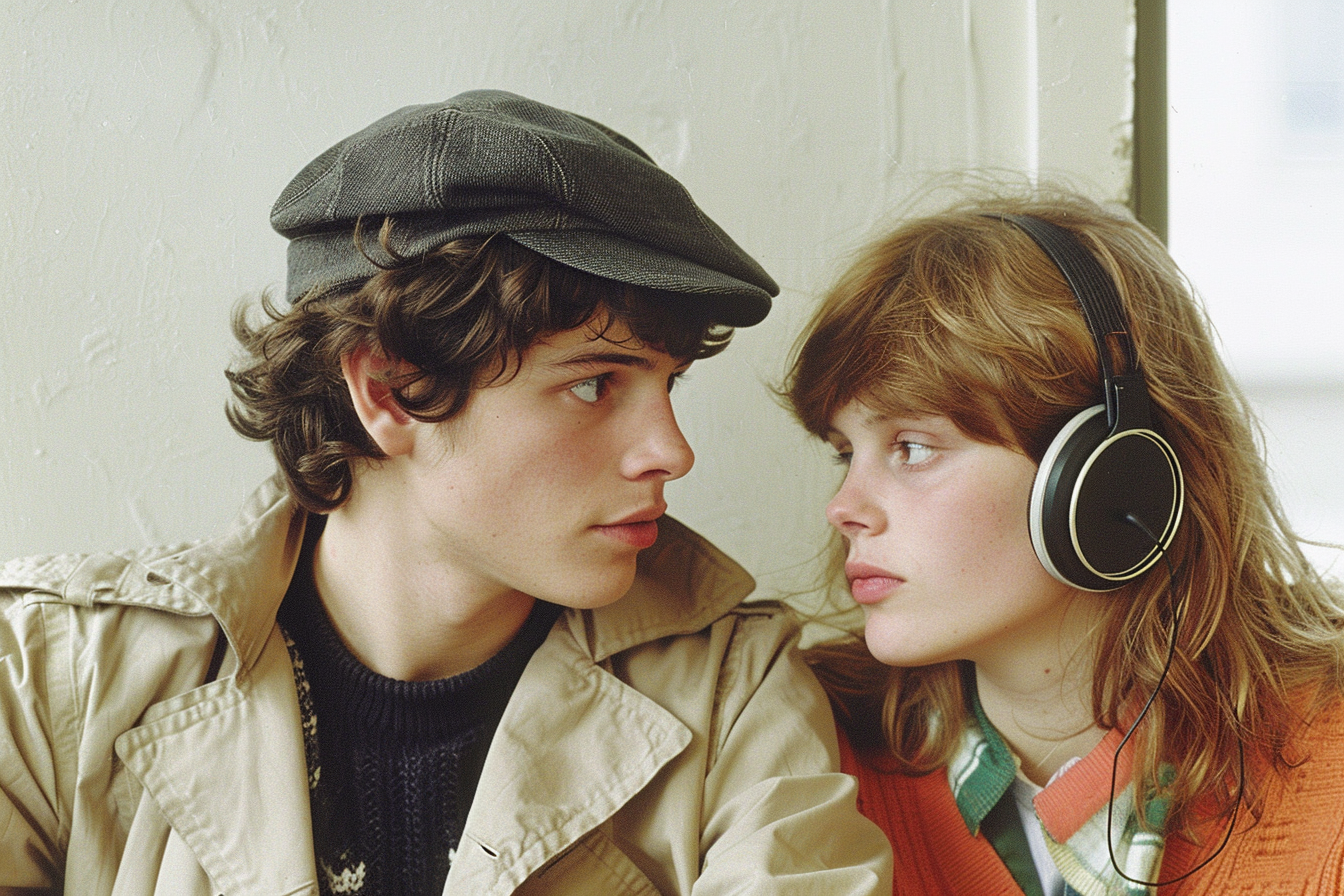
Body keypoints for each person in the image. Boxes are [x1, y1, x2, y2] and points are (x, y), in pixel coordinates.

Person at [0, 90, 891, 896]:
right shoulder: (54, 673)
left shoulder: (735, 690)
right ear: (390, 390)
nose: (672, 451)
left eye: (670, 385)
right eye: (595, 385)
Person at [783, 190, 1344, 895]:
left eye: (913, 448)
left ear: (1111, 479)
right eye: (844, 453)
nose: (843, 509)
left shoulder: (1328, 765)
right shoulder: (803, 756)